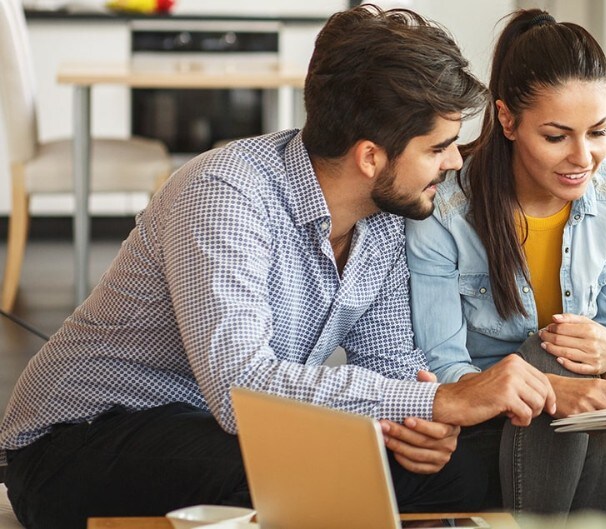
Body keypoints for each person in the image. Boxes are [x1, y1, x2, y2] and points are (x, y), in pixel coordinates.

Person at [0, 6, 558, 529]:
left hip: (223, 427)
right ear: (370, 157)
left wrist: (421, 425)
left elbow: (391, 366)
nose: (455, 161)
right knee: (314, 467)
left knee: (457, 466)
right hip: (76, 441)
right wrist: (438, 402)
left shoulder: (387, 216)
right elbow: (240, 387)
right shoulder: (224, 193)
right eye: (438, 148)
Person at [405, 9, 606, 521]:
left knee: (578, 372)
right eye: (557, 137)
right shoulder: (446, 211)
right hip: (483, 415)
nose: (583, 157)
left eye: (599, 132)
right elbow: (444, 367)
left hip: (572, 426)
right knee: (548, 355)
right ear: (507, 119)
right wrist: (551, 386)